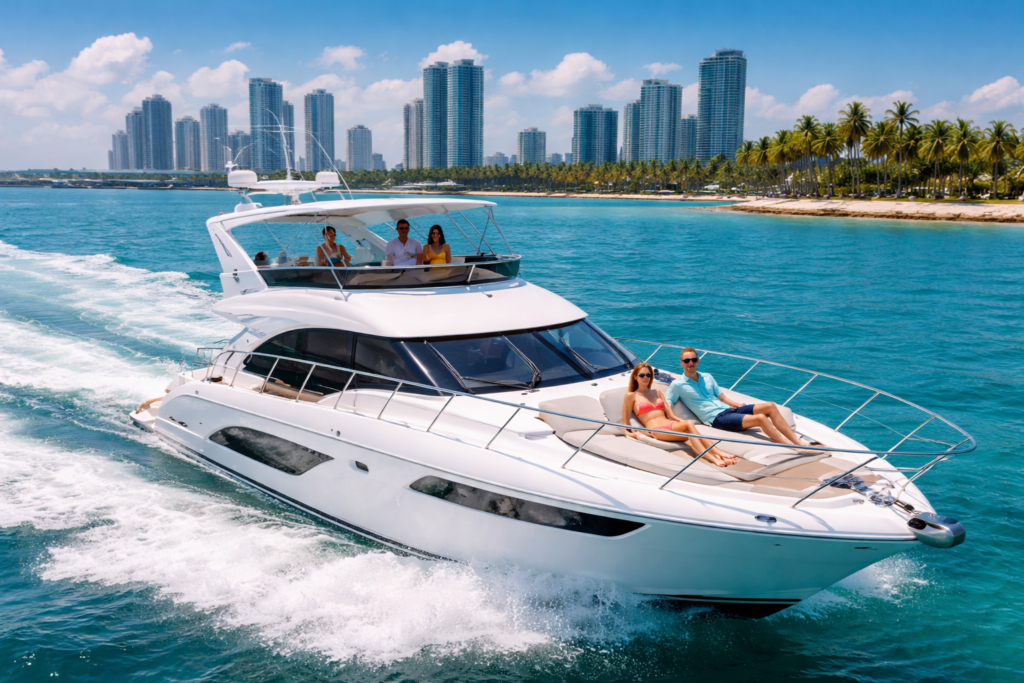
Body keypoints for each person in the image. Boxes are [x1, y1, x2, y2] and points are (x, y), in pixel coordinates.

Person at [666, 348, 821, 448]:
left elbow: (721, 396)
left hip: (729, 410)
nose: (690, 363)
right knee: (761, 418)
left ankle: (798, 441)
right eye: (687, 361)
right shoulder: (677, 385)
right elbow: (668, 402)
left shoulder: (707, 377)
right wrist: (672, 419)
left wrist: (737, 404)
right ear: (681, 363)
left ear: (698, 361)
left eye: (693, 360)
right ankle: (792, 446)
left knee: (770, 406)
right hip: (717, 419)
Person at [622, 363, 737, 468]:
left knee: (692, 430)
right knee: (690, 427)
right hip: (657, 430)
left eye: (648, 375)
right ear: (635, 377)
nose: (646, 377)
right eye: (642, 375)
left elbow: (670, 415)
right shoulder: (631, 396)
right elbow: (625, 422)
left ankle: (719, 455)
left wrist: (681, 421)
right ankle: (713, 457)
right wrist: (633, 434)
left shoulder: (657, 392)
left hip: (670, 425)